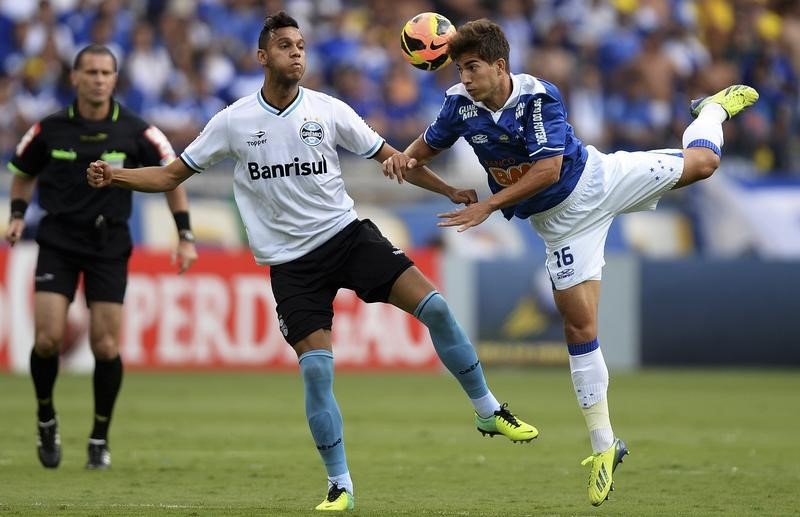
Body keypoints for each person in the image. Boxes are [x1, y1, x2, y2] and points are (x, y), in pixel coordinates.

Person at [86, 12, 537, 512]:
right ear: (262, 57)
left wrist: (448, 188)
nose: (296, 52)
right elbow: (171, 176)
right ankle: (340, 485)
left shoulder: (328, 110)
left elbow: (393, 159)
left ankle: (487, 409)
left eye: (301, 45)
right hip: (292, 265)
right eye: (285, 45)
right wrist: (118, 175)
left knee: (435, 308)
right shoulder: (234, 121)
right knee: (318, 372)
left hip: (347, 237)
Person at [382, 19, 758, 507]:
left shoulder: (539, 98)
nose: (465, 77)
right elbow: (417, 156)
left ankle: (709, 110)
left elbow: (548, 169)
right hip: (561, 227)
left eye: (473, 67)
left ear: (500, 65)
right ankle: (605, 446)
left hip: (599, 182)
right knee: (579, 326)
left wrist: (487, 206)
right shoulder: (459, 105)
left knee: (703, 164)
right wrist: (399, 159)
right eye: (459, 67)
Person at [6, 44, 199, 470]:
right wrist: (17, 217)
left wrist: (184, 234)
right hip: (57, 239)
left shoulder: (137, 130)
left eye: (105, 72)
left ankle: (99, 436)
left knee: (106, 344)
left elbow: (173, 177)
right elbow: (22, 174)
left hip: (108, 244)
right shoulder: (48, 129)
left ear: (115, 79)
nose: (97, 79)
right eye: (89, 72)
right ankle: (45, 417)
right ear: (74, 77)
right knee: (47, 340)